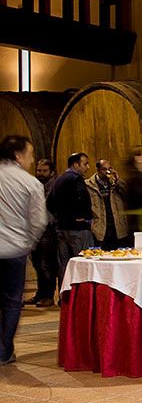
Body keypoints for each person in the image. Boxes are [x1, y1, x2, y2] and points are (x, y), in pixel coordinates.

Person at [1, 136, 48, 365]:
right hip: (13, 251)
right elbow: (39, 221)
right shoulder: (30, 183)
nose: (32, 159)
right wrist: (29, 242)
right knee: (11, 301)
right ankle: (4, 351)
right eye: (29, 154)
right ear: (18, 155)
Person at [47, 152, 93, 287]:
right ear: (76, 164)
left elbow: (49, 202)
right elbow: (81, 199)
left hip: (61, 228)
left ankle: (65, 297)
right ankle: (80, 299)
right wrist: (80, 217)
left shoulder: (59, 179)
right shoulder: (76, 179)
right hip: (78, 229)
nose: (88, 167)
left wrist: (61, 217)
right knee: (82, 263)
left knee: (65, 265)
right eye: (85, 164)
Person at [26, 159, 59, 308]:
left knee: (47, 264)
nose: (40, 173)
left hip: (49, 228)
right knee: (37, 263)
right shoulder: (35, 185)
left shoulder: (54, 186)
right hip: (34, 229)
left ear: (51, 172)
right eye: (39, 170)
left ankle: (49, 295)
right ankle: (40, 293)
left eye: (44, 171)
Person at [86, 159, 129, 250]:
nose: (107, 172)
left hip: (117, 228)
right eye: (104, 169)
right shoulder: (89, 185)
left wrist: (118, 180)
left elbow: (128, 195)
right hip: (99, 228)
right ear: (97, 169)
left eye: (109, 169)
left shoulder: (115, 183)